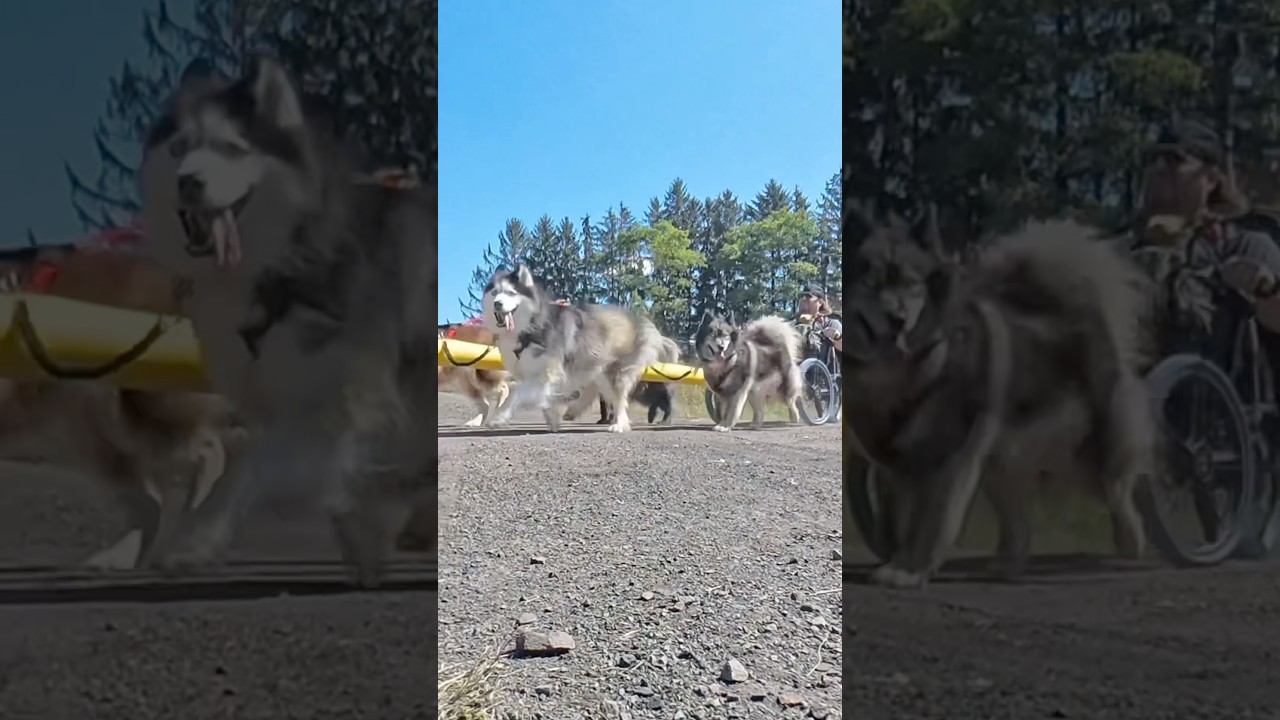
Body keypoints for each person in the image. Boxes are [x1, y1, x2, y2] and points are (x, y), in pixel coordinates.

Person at [796, 285, 842, 357]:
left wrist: (837, 337)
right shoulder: (792, 325)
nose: (804, 300)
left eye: (808, 297)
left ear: (820, 302)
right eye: (802, 297)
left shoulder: (830, 324)